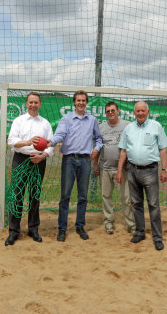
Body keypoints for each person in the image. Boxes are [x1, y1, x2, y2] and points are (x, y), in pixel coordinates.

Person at [47, 90, 103, 242]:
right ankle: (62, 229)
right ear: (74, 102)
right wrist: (51, 142)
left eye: (83, 100)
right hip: (69, 160)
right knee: (65, 195)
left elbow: (99, 138)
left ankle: (80, 226)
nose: (81, 103)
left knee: (82, 196)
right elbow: (60, 134)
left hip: (85, 161)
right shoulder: (66, 119)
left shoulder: (92, 120)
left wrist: (97, 148)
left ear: (86, 102)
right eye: (78, 100)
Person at [116, 101, 167, 251]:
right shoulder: (128, 128)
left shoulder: (156, 126)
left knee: (153, 205)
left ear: (148, 111)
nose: (140, 113)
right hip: (132, 170)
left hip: (150, 171)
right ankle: (140, 232)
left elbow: (163, 149)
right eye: (137, 111)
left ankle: (157, 238)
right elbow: (123, 151)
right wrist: (120, 170)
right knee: (136, 204)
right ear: (134, 112)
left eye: (142, 111)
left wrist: (164, 169)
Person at [4, 92, 54, 246]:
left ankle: (33, 229)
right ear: (26, 103)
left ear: (40, 104)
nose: (33, 105)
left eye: (36, 102)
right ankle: (13, 231)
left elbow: (51, 144)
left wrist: (43, 155)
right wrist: (27, 142)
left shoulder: (45, 123)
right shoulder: (19, 121)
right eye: (31, 102)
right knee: (17, 195)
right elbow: (11, 141)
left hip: (38, 161)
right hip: (20, 159)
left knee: (34, 196)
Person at [93, 101, 135, 235]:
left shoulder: (127, 126)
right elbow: (98, 147)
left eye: (113, 110)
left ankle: (131, 224)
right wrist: (95, 164)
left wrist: (129, 161)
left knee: (127, 198)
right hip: (104, 167)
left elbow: (132, 145)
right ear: (105, 113)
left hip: (122, 169)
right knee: (106, 196)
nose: (110, 113)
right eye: (108, 111)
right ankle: (108, 222)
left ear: (118, 111)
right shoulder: (100, 127)